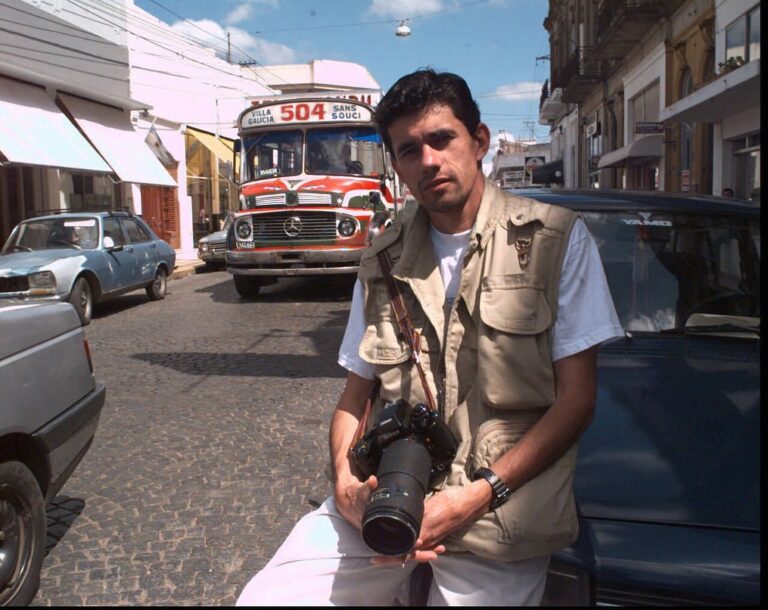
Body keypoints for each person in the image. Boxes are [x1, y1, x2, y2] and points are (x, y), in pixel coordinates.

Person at [236, 69, 623, 606]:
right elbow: (354, 396)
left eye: (442, 139)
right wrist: (345, 484)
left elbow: (577, 401)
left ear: (480, 141)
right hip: (389, 497)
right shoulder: (381, 259)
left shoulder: (556, 240)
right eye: (409, 149)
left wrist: (478, 495)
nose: (429, 161)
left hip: (498, 510)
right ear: (396, 164)